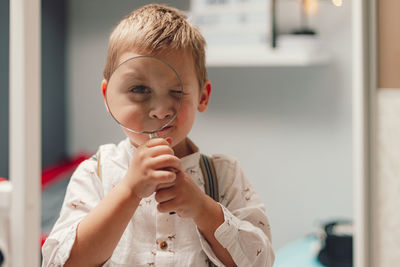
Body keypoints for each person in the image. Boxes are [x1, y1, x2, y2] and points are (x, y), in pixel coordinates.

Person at [42, 4, 274, 267]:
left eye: (176, 92)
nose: (161, 110)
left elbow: (260, 261)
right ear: (107, 96)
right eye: (140, 89)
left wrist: (203, 209)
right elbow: (62, 263)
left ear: (203, 96)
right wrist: (129, 192)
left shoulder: (224, 175)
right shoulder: (95, 173)